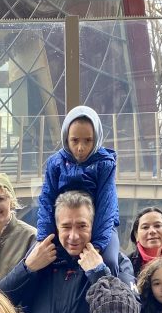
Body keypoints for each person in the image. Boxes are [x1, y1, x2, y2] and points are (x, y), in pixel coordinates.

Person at [0, 191, 135, 313]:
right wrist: (27, 267)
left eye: (81, 226)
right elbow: (0, 300)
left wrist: (98, 273)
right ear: (56, 228)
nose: (73, 236)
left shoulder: (116, 262)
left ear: (93, 226)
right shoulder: (43, 261)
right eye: (66, 227)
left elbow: (129, 311)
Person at [37, 105, 121, 275]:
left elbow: (107, 204)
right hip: (65, 221)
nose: (81, 148)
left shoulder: (104, 163)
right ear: (66, 138)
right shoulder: (55, 163)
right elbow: (47, 200)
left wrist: (97, 244)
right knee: (35, 258)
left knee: (110, 261)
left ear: (96, 138)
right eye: (75, 140)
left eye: (88, 140)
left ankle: (113, 293)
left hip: (96, 223)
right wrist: (44, 238)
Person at [127, 207, 162, 276]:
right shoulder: (126, 264)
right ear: (136, 234)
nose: (152, 231)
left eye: (157, 226)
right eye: (145, 227)